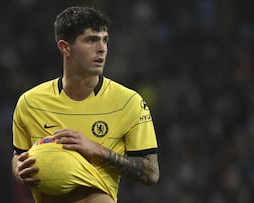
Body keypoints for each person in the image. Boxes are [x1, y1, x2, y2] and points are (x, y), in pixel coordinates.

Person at [11, 6, 159, 203]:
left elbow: (151, 173)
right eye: (91, 40)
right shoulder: (30, 103)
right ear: (65, 47)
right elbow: (18, 155)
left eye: (105, 40)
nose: (102, 48)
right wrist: (18, 170)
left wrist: (99, 151)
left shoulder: (129, 103)